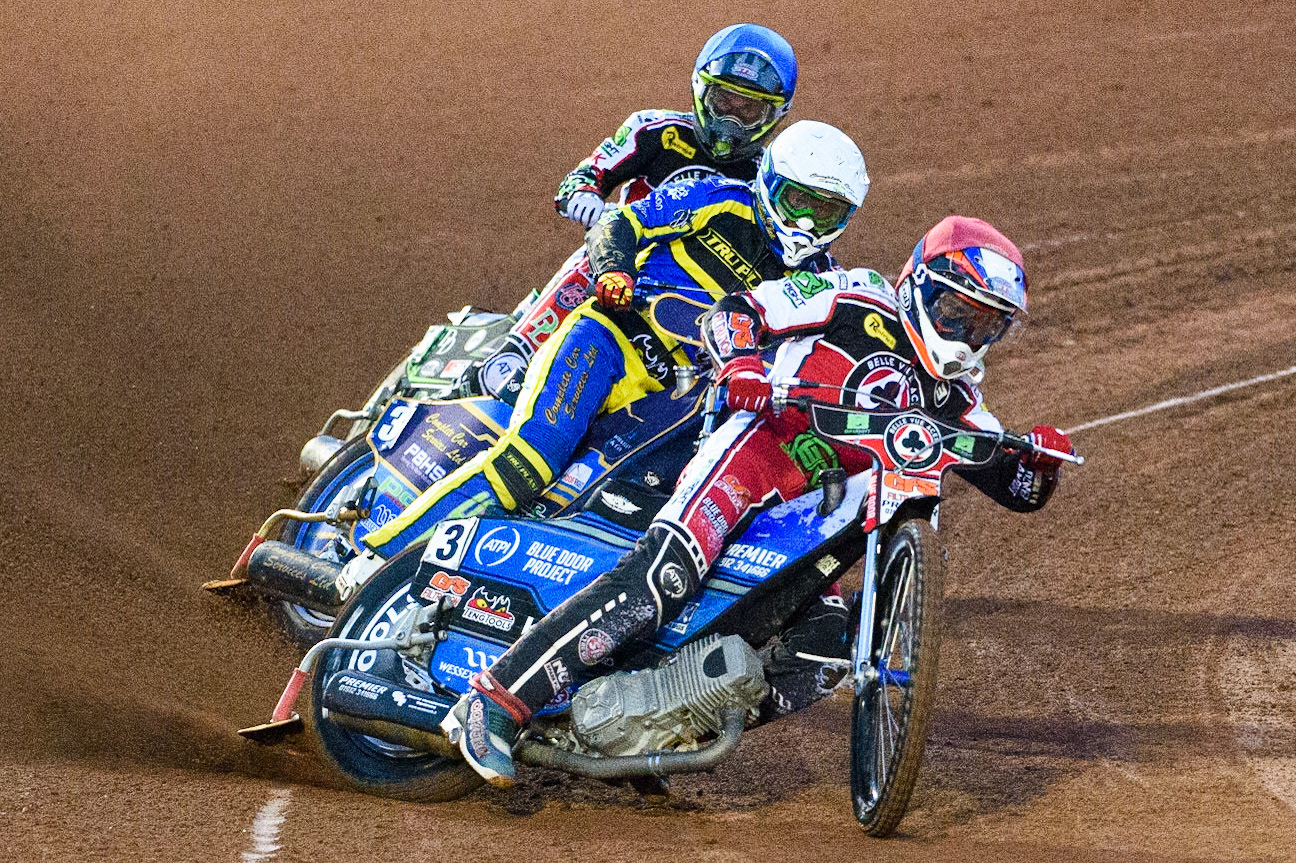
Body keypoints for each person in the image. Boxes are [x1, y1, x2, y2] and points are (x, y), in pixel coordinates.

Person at [440, 215, 1075, 786]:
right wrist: (744, 362)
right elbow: (735, 312)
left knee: (826, 650)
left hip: (811, 523)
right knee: (662, 579)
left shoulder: (960, 398)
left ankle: (648, 730)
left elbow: (1014, 488)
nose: (966, 335)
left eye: (985, 325)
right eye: (956, 312)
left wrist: (1038, 465)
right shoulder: (854, 295)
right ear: (919, 284)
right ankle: (494, 704)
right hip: (756, 452)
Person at [346, 119, 868, 590]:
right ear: (772, 182)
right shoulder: (718, 195)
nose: (808, 221)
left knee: (630, 508)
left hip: (681, 400)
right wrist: (615, 268)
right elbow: (617, 224)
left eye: (827, 211)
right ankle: (376, 560)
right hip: (610, 341)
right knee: (529, 461)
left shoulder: (821, 281)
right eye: (799, 200)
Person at [459, 23, 799, 399]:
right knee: (591, 256)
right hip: (621, 265)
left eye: (747, 109)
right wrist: (585, 198)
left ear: (772, 116)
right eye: (724, 103)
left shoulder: (768, 178)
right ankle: (510, 359)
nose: (729, 120)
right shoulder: (655, 130)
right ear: (702, 91)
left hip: (690, 299)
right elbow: (587, 174)